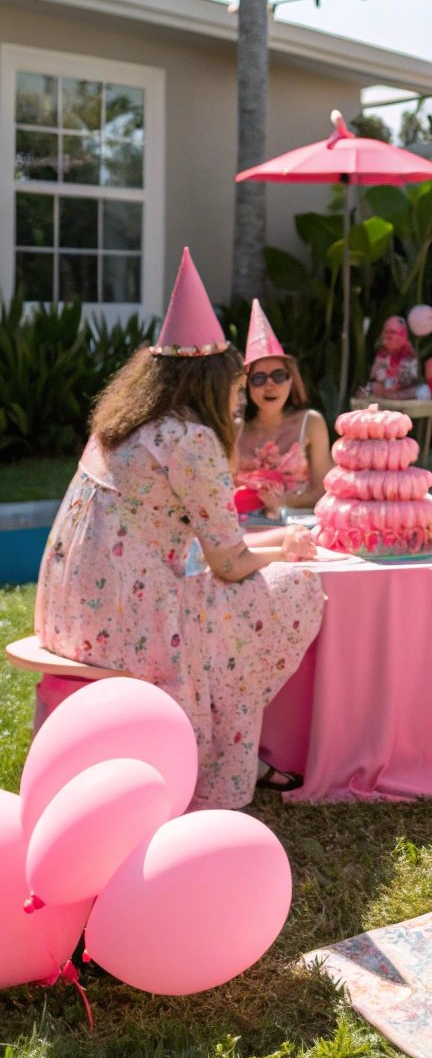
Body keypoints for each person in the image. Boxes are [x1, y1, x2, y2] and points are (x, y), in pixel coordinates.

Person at [35, 249, 325, 809]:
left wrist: (265, 543)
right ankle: (224, 762)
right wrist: (283, 553)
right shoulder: (191, 439)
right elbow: (228, 563)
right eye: (236, 389)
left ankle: (230, 753)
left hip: (67, 611)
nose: (238, 401)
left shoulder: (120, 425)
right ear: (211, 384)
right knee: (292, 590)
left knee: (227, 608)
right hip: (131, 620)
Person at [233, 301, 331, 516]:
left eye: (278, 376)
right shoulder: (235, 429)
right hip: (242, 529)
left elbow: (325, 491)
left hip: (297, 528)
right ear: (246, 386)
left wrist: (283, 503)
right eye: (259, 378)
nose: (270, 385)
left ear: (291, 380)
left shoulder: (311, 422)